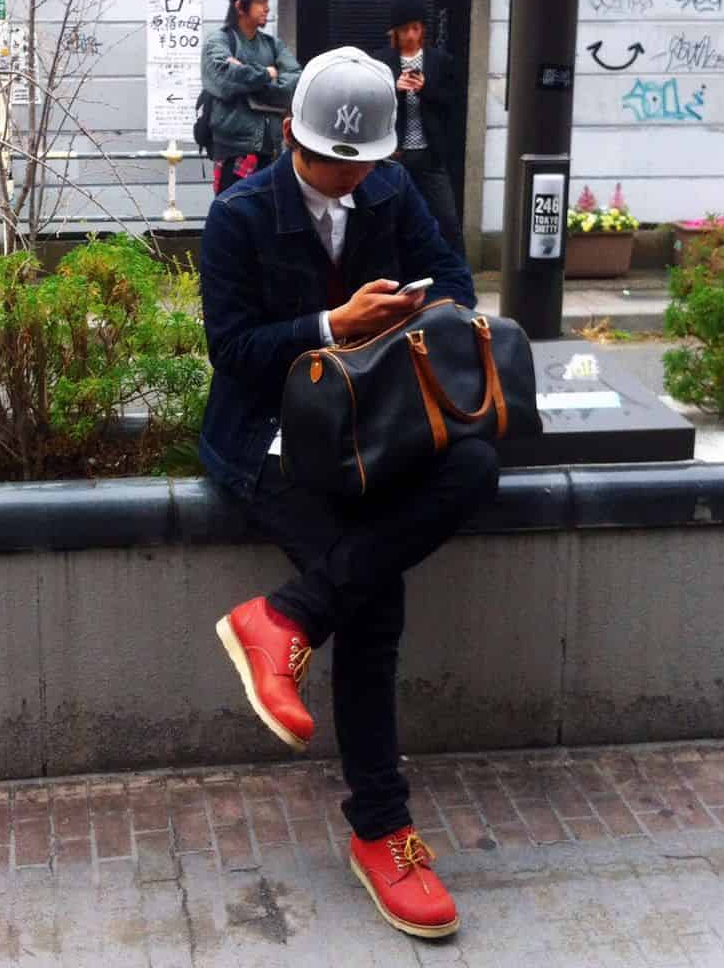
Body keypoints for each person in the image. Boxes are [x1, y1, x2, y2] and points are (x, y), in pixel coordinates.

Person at [199, 46, 500, 939]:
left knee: (477, 464)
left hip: (376, 431)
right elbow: (237, 355)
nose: (349, 181)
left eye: (363, 166)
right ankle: (381, 827)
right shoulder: (238, 215)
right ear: (290, 135)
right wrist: (334, 326)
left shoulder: (390, 194)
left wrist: (408, 311)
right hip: (269, 439)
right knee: (374, 600)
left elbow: (455, 284)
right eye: (336, 163)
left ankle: (287, 618)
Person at [373, 0, 466, 258]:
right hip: (394, 154)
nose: (411, 35)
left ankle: (459, 276)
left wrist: (426, 89)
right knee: (386, 220)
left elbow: (454, 105)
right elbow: (374, 104)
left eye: (415, 28)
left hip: (430, 155)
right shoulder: (381, 61)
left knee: (447, 221)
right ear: (395, 32)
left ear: (423, 28)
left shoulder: (440, 61)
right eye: (404, 30)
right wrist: (395, 89)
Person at [201, 0, 302, 195]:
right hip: (233, 149)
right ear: (240, 6)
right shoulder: (219, 41)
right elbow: (226, 77)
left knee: (270, 216)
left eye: (267, 1)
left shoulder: (272, 44)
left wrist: (249, 82)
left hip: (272, 147)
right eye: (260, 2)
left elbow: (295, 79)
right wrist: (267, 73)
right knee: (233, 212)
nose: (266, 8)